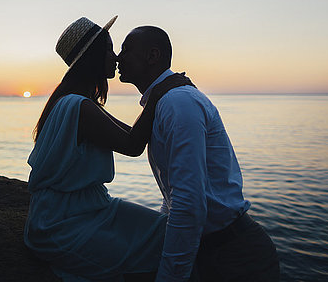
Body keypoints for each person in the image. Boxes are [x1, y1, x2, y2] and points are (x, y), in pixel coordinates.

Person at [24, 16, 190, 282]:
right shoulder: (78, 107)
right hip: (63, 221)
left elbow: (130, 133)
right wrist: (160, 92)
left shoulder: (80, 103)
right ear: (93, 56)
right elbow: (133, 145)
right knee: (159, 245)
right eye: (110, 49)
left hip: (89, 208)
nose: (115, 58)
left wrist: (158, 96)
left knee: (166, 232)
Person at [117, 26, 280, 282]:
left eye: (126, 49)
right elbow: (175, 195)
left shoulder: (177, 103)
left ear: (152, 55)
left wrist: (169, 277)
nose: (119, 57)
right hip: (212, 249)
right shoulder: (166, 102)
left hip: (237, 257)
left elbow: (188, 200)